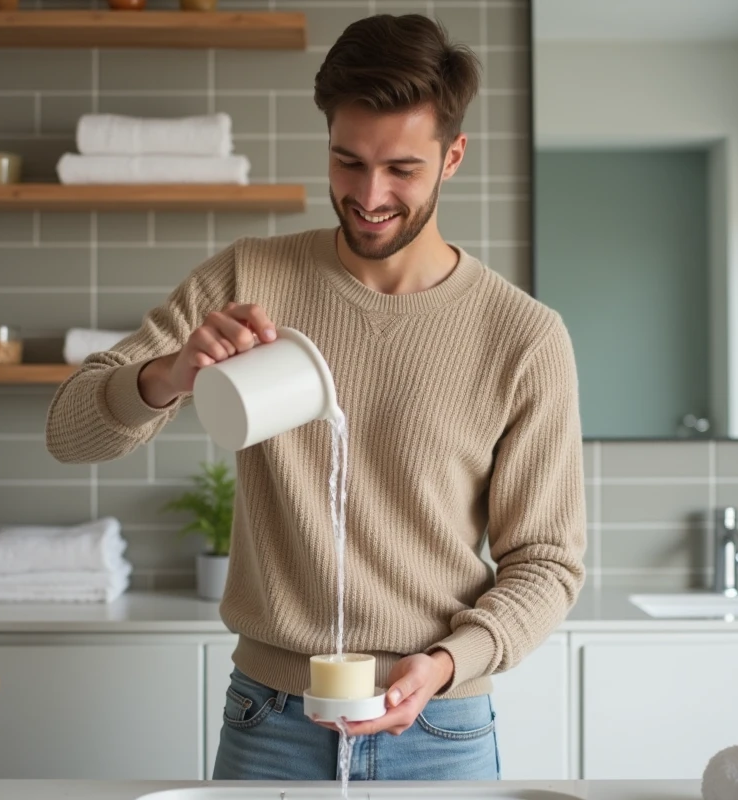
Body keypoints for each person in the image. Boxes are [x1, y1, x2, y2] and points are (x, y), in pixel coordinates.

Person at [45, 13, 586, 783]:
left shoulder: (523, 336)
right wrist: (168, 374)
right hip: (272, 720)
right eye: (347, 161)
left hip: (439, 724)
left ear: (453, 157)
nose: (369, 196)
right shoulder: (248, 278)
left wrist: (444, 663)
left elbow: (547, 563)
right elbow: (70, 432)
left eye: (402, 168)